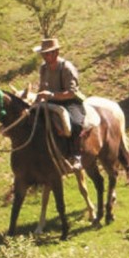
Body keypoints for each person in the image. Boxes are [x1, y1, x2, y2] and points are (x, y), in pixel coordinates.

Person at [34, 38, 86, 170]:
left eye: (48, 53)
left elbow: (71, 93)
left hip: (70, 102)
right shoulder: (43, 68)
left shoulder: (66, 68)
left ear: (56, 52)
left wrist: (50, 95)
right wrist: (35, 103)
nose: (45, 56)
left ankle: (77, 156)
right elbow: (42, 87)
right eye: (44, 54)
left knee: (75, 123)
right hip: (50, 101)